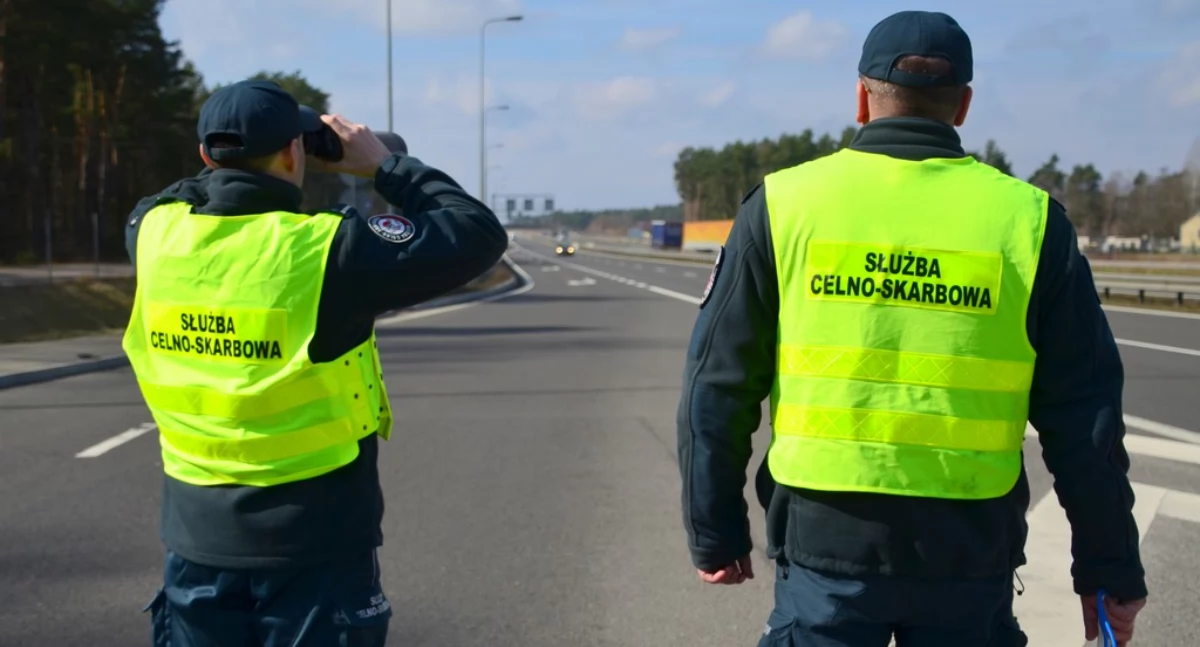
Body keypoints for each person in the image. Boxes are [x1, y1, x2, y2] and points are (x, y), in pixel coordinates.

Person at [676, 10, 1148, 646]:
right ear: (964, 105)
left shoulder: (784, 205)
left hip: (825, 540)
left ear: (862, 98)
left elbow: (716, 388)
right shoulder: (1030, 221)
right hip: (969, 548)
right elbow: (1085, 419)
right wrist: (1108, 566)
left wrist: (716, 530)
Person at [121, 79, 509, 646]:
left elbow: (170, 195)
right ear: (293, 151)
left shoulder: (152, 233)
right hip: (315, 549)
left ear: (206, 156)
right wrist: (385, 165)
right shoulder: (329, 250)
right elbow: (475, 233)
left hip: (195, 543)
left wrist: (228, 166)